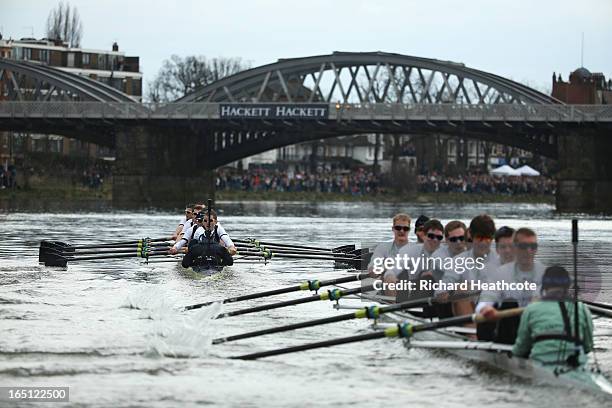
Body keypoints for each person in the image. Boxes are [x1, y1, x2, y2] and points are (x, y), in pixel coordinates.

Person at [511, 266, 593, 366]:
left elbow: (520, 349)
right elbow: (588, 347)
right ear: (567, 285)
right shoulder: (581, 308)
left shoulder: (531, 309)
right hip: (577, 367)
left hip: (541, 368)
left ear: (545, 286)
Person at [477, 228, 546, 342]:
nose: (528, 251)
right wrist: (486, 308)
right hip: (504, 329)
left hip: (532, 326)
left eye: (532, 247)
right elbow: (486, 298)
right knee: (510, 303)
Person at [438, 214, 500, 319]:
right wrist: (444, 292)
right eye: (480, 238)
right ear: (471, 235)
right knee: (462, 288)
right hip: (467, 311)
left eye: (488, 238)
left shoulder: (501, 261)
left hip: (492, 313)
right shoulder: (458, 261)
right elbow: (441, 289)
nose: (484, 243)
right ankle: (472, 334)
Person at [367, 213, 411, 295]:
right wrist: (384, 267)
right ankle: (393, 304)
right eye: (398, 228)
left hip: (410, 287)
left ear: (409, 230)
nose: (402, 231)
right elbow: (372, 271)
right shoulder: (383, 247)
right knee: (390, 275)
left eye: (405, 228)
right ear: (393, 229)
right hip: (389, 284)